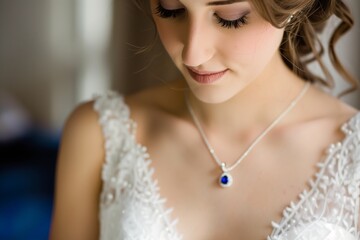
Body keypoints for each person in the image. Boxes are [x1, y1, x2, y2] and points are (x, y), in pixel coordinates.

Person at [50, 0, 360, 239]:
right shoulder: (98, 135)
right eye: (171, 9)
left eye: (230, 17)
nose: (193, 54)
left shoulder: (354, 155)